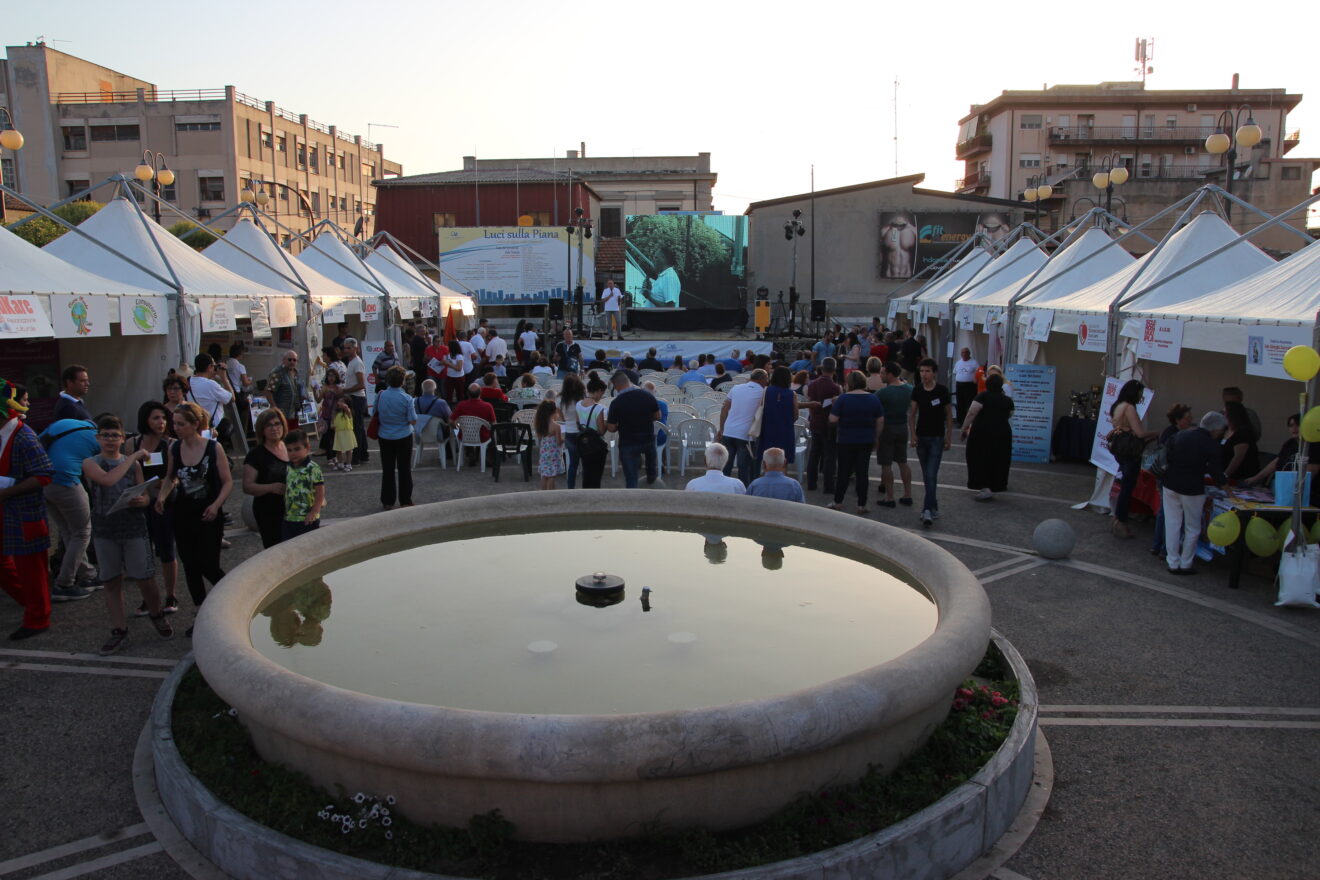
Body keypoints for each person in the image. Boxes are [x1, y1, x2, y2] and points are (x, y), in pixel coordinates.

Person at [82, 415, 172, 654]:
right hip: (105, 530)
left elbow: (144, 495)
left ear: (122, 438)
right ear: (98, 438)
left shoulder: (133, 466)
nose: (110, 440)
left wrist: (142, 500)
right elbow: (108, 480)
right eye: (106, 435)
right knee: (111, 580)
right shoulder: (91, 463)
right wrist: (133, 455)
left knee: (145, 577)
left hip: (133, 527)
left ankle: (156, 613)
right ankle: (119, 629)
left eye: (115, 435)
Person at [155, 402, 231, 636]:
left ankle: (232, 596)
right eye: (174, 423)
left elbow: (227, 481)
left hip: (208, 513)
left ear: (195, 424)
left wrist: (216, 505)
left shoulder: (213, 448)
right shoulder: (174, 448)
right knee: (190, 564)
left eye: (181, 424)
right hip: (183, 513)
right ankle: (200, 610)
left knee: (208, 563)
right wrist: (161, 496)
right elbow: (170, 477)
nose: (175, 428)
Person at [0, 379, 56, 640]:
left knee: (31, 568)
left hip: (24, 514)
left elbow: (44, 473)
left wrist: (7, 492)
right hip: (7, 513)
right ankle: (31, 602)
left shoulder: (23, 435)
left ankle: (37, 618)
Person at [39, 415, 102, 601]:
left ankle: (88, 574)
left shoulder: (65, 423)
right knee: (82, 532)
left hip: (42, 480)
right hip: (65, 480)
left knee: (69, 531)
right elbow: (104, 469)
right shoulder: (96, 437)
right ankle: (64, 583)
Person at [128, 402, 179, 615]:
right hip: (140, 502)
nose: (161, 422)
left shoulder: (171, 444)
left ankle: (170, 594)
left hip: (163, 502)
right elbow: (128, 473)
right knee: (143, 551)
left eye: (164, 418)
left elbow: (172, 477)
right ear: (145, 420)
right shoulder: (133, 443)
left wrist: (158, 489)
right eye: (156, 418)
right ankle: (148, 598)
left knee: (167, 549)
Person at [1163, 412, 1228, 575]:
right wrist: (1228, 489)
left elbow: (1167, 455)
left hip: (1170, 483)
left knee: (1172, 524)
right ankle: (1185, 563)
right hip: (1193, 488)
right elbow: (1216, 472)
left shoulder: (1181, 435)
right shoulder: (1211, 445)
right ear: (1216, 429)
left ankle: (1172, 561)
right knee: (1192, 527)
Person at [829, 371, 885, 514]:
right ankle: (861, 504)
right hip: (865, 439)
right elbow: (880, 420)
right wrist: (876, 436)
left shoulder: (843, 399)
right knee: (862, 472)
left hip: (846, 439)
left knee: (843, 471)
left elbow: (832, 419)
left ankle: (838, 501)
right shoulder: (873, 398)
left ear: (849, 383)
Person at [1108, 379, 1157, 539]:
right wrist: (1156, 433)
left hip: (1119, 449)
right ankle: (1121, 521)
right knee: (1127, 488)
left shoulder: (1118, 406)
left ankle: (1118, 519)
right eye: (1140, 394)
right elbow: (1139, 433)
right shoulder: (1129, 408)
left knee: (1124, 486)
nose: (1141, 397)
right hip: (1130, 451)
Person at [910, 358, 953, 526]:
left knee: (931, 474)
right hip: (922, 437)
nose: (924, 374)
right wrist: (913, 434)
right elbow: (912, 414)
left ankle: (927, 510)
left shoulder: (942, 391)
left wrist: (948, 436)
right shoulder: (917, 390)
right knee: (927, 475)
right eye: (921, 371)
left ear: (934, 373)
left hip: (937, 437)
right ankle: (933, 505)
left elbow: (948, 415)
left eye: (927, 371)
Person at [1149, 404, 1194, 559]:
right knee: (1171, 515)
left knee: (1164, 513)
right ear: (1178, 419)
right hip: (1170, 478)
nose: (1191, 421)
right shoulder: (1176, 435)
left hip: (1164, 476)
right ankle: (1164, 548)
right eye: (1188, 418)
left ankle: (1157, 545)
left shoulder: (1169, 432)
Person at [961, 373, 1015, 501]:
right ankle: (995, 485)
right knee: (998, 459)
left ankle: (983, 486)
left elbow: (972, 412)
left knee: (979, 458)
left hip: (981, 433)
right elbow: (1010, 414)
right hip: (1002, 433)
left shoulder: (982, 397)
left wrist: (964, 428)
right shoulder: (1007, 400)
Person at [242, 408, 290, 548]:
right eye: (269, 425)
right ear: (262, 429)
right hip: (270, 512)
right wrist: (271, 487)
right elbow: (247, 486)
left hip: (293, 509)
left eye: (277, 424)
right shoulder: (255, 455)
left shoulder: (290, 447)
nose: (274, 428)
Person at [605, 371, 662, 489]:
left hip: (628, 443)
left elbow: (611, 428)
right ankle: (651, 481)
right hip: (647, 439)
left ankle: (633, 501)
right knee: (651, 473)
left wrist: (618, 426)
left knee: (631, 479)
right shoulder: (648, 396)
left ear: (617, 386)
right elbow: (658, 416)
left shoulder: (616, 403)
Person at [716, 369, 769, 486]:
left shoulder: (736, 388)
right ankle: (743, 493)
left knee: (726, 466)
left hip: (729, 431)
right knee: (744, 468)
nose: (767, 381)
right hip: (746, 435)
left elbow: (724, 409)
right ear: (761, 379)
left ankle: (723, 489)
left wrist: (721, 428)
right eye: (766, 378)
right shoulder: (764, 392)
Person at [376, 366, 417, 509]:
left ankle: (387, 501)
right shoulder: (407, 398)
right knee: (404, 468)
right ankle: (405, 499)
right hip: (403, 435)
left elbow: (375, 412)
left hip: (385, 435)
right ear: (402, 381)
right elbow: (412, 420)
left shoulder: (380, 395)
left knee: (387, 469)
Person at [875, 362, 914, 508]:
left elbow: (873, 407)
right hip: (902, 427)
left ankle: (889, 497)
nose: (881, 375)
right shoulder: (909, 389)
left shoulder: (883, 393)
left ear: (890, 374)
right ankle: (907, 494)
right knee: (903, 461)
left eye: (883, 373)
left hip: (887, 428)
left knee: (886, 464)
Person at [805, 358, 842, 494]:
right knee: (829, 455)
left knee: (814, 453)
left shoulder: (812, 384)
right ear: (834, 369)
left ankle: (811, 482)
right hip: (829, 424)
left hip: (815, 420)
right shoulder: (835, 387)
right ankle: (828, 486)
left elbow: (809, 402)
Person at [281, 430, 324, 540]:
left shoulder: (313, 468)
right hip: (289, 517)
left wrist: (314, 511)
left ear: (307, 448)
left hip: (307, 518)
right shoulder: (287, 467)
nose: (293, 453)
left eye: (297, 449)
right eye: (289, 450)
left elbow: (320, 492)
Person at [187, 353, 235, 446]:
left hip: (194, 428)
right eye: (214, 366)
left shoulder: (188, 381)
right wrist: (224, 378)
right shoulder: (211, 385)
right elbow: (231, 398)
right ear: (209, 367)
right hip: (212, 430)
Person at [758, 366, 799, 467]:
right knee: (783, 460)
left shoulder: (766, 391)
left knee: (767, 460)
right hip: (785, 430)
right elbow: (796, 415)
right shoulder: (792, 394)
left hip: (768, 429)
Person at [575, 376, 610, 489]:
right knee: (596, 475)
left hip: (583, 443)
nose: (601, 396)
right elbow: (600, 431)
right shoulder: (598, 408)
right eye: (602, 393)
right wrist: (607, 423)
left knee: (586, 471)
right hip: (596, 445)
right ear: (599, 391)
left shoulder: (578, 404)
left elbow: (578, 423)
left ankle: (585, 494)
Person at [340, 338, 369, 465]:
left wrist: (345, 391)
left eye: (349, 348)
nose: (346, 350)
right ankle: (363, 454)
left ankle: (356, 456)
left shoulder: (357, 363)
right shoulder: (351, 362)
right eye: (345, 348)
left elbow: (362, 384)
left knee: (357, 428)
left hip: (357, 398)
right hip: (352, 397)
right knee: (359, 427)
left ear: (355, 349)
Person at [557, 374, 585, 488]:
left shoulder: (559, 398)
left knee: (573, 463)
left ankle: (571, 488)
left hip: (569, 431)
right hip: (581, 431)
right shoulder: (582, 397)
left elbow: (561, 417)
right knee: (585, 462)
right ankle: (586, 487)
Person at [1221, 401, 1259, 483]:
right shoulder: (1223, 431)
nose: (1222, 415)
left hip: (1240, 478)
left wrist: (1225, 475)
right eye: (1222, 412)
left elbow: (1238, 457)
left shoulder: (1243, 433)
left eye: (1225, 413)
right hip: (1223, 475)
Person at [266, 350, 307, 426]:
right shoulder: (278, 372)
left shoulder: (297, 373)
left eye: (294, 360)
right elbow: (268, 391)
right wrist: (275, 408)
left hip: (295, 412)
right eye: (289, 359)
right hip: (282, 413)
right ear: (283, 360)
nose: (292, 362)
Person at [532, 400, 566, 490]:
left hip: (544, 452)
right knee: (552, 475)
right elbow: (559, 441)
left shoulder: (540, 425)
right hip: (554, 454)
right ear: (553, 412)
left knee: (544, 475)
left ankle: (543, 493)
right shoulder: (556, 426)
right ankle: (551, 494)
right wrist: (564, 439)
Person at [225, 343, 253, 432]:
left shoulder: (225, 363)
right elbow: (245, 383)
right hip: (237, 393)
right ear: (240, 354)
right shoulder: (240, 366)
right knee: (240, 415)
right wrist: (250, 381)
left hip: (225, 391)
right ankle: (241, 432)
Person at [953, 348, 980, 426]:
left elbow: (978, 372)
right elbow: (955, 372)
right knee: (960, 403)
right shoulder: (958, 362)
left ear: (969, 353)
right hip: (959, 385)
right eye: (962, 353)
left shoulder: (974, 362)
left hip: (969, 386)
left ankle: (969, 422)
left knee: (969, 403)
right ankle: (960, 421)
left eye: (965, 352)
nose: (964, 354)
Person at [330, 399, 356, 472]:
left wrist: (346, 408)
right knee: (338, 449)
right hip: (338, 433)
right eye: (339, 401)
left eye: (342, 402)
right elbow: (332, 422)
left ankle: (348, 464)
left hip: (347, 432)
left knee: (349, 450)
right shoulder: (335, 413)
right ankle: (340, 463)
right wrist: (332, 425)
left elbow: (348, 412)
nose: (339, 403)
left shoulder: (348, 411)